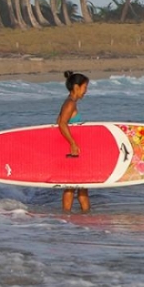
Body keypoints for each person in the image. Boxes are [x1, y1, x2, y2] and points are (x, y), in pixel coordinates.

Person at [57, 71, 91, 213]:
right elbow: (62, 123)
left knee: (77, 186)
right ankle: (79, 216)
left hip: (74, 152)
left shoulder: (70, 102)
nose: (86, 91)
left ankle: (75, 217)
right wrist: (72, 143)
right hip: (72, 152)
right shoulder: (70, 104)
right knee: (73, 186)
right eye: (84, 87)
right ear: (76, 87)